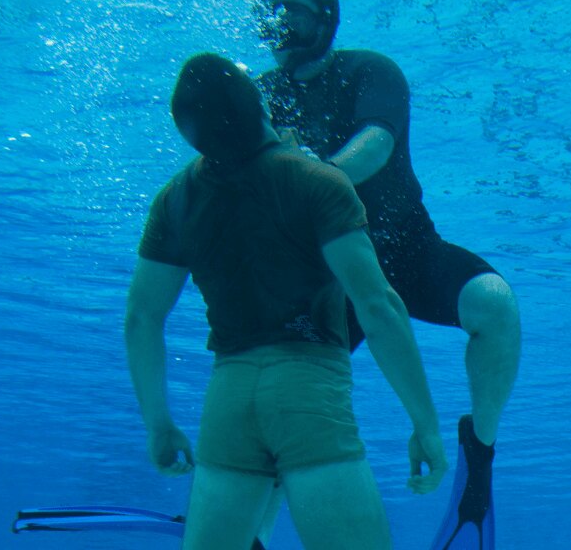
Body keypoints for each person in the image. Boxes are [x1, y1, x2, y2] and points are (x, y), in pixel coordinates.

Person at [125, 52, 447, 550]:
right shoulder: (315, 181)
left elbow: (143, 318)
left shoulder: (175, 200)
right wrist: (425, 423)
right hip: (308, 394)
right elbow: (378, 306)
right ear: (261, 107)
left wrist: (158, 424)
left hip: (227, 400)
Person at [251, 0, 522, 546]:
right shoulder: (261, 97)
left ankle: (480, 449)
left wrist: (314, 176)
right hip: (330, 276)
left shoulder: (370, 70)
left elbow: (376, 144)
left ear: (325, 14)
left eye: (292, 9)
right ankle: (251, 528)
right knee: (284, 407)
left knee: (496, 306)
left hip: (409, 249)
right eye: (268, 14)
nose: (279, 25)